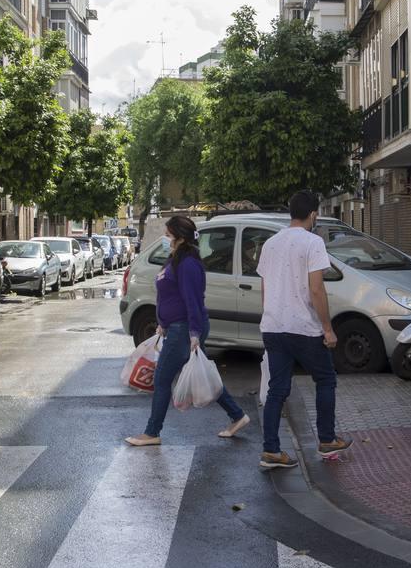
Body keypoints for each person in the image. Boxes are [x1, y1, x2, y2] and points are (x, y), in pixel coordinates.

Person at [125, 216, 249, 446]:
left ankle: (152, 432)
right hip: (177, 326)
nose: (165, 238)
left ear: (180, 237)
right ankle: (238, 415)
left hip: (184, 329)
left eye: (169, 234)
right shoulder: (175, 259)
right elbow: (170, 295)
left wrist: (193, 333)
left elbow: (192, 300)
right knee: (203, 375)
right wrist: (163, 322)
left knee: (162, 379)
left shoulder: (188, 264)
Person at [256, 190, 353, 470]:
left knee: (277, 389)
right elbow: (316, 289)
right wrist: (328, 328)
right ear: (313, 214)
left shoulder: (270, 244)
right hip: (304, 327)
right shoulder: (313, 243)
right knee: (325, 379)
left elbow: (266, 289)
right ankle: (326, 440)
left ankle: (271, 451)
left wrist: (271, 316)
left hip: (273, 326)